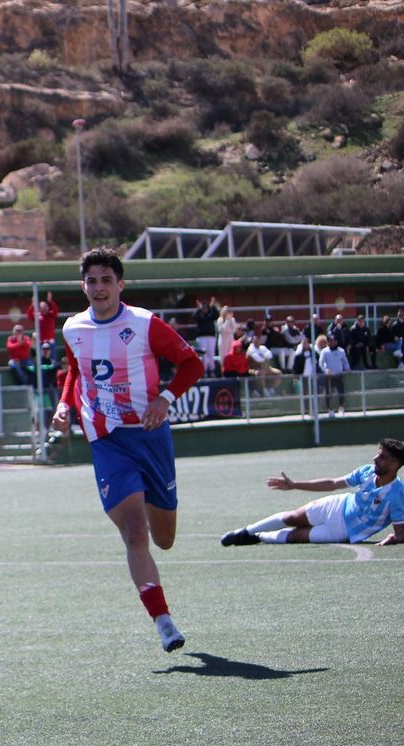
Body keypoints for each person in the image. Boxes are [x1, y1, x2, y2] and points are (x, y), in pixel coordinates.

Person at [51, 249, 204, 654]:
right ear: (82, 286)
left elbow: (191, 364)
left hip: (150, 437)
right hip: (106, 439)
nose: (98, 288)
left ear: (121, 284)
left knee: (164, 538)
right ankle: (163, 621)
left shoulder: (144, 324)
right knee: (135, 533)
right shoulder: (73, 328)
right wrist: (65, 405)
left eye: (106, 280)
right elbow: (75, 372)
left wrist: (165, 398)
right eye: (91, 281)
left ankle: (155, 524)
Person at [221, 439, 404, 547]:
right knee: (292, 517)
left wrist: (394, 539)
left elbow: (400, 532)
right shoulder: (367, 471)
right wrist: (294, 485)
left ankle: (258, 537)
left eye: (382, 457)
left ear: (395, 464)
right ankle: (246, 531)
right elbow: (333, 483)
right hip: (338, 505)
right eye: (377, 454)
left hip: (342, 531)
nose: (375, 459)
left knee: (295, 536)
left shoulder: (397, 494)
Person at [316, 334, 349, 415]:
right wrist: (326, 370)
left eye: (334, 340)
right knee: (328, 393)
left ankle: (341, 408)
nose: (332, 342)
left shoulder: (341, 351)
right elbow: (321, 363)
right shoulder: (324, 351)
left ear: (336, 341)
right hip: (329, 376)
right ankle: (330, 409)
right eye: (330, 341)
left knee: (341, 392)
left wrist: (347, 367)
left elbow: (345, 361)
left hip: (339, 375)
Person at [193, 297, 219, 377]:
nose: (204, 309)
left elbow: (217, 314)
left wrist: (213, 306)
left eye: (206, 307)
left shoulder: (210, 314)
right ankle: (203, 372)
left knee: (211, 354)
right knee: (203, 355)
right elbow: (194, 317)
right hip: (201, 337)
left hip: (211, 337)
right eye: (203, 307)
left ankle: (212, 371)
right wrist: (198, 309)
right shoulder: (199, 314)